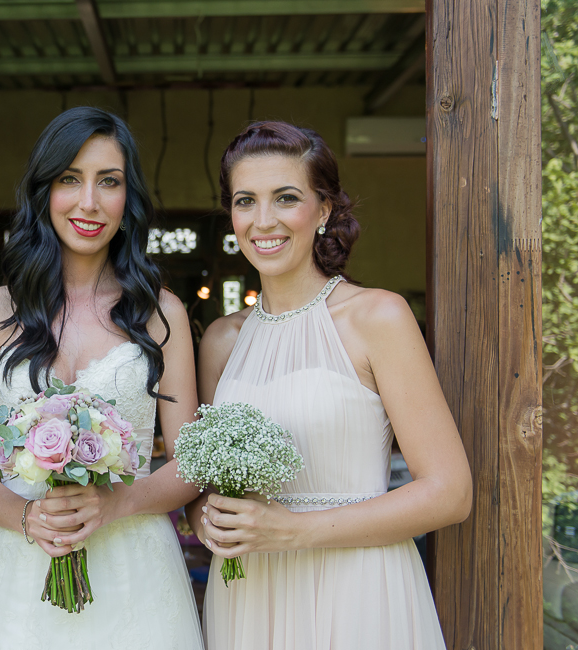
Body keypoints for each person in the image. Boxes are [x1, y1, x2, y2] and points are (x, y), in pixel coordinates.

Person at [186, 121, 472, 649]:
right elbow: (205, 489)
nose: (263, 220)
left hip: (358, 589)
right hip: (250, 596)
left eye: (286, 198)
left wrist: (294, 531)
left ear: (323, 211)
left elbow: (449, 493)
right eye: (246, 200)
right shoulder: (222, 340)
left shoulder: (377, 317)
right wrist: (209, 518)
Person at [0, 106, 204, 649]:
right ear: (45, 193)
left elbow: (191, 461)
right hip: (20, 568)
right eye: (69, 180)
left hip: (135, 568)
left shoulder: (162, 313)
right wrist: (26, 516)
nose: (89, 203)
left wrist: (120, 502)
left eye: (109, 182)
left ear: (128, 199)